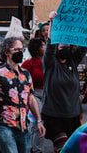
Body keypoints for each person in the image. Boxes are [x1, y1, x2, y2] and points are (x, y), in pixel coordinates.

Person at [0, 37, 46, 153]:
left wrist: (38, 120)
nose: (20, 52)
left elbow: (31, 99)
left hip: (23, 126)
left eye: (21, 50)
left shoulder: (26, 74)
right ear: (7, 52)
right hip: (4, 126)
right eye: (16, 49)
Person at [41, 11, 87, 153]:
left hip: (73, 115)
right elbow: (49, 46)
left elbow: (83, 45)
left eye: (66, 47)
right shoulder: (50, 64)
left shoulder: (73, 62)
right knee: (62, 148)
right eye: (61, 47)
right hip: (54, 115)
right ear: (57, 48)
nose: (64, 48)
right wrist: (52, 22)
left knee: (72, 149)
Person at [22, 38, 46, 153]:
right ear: (37, 49)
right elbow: (22, 81)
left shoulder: (49, 61)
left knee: (40, 122)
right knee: (38, 120)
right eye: (42, 46)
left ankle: (34, 146)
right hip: (33, 94)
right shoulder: (28, 63)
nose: (45, 47)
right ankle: (37, 150)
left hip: (48, 95)